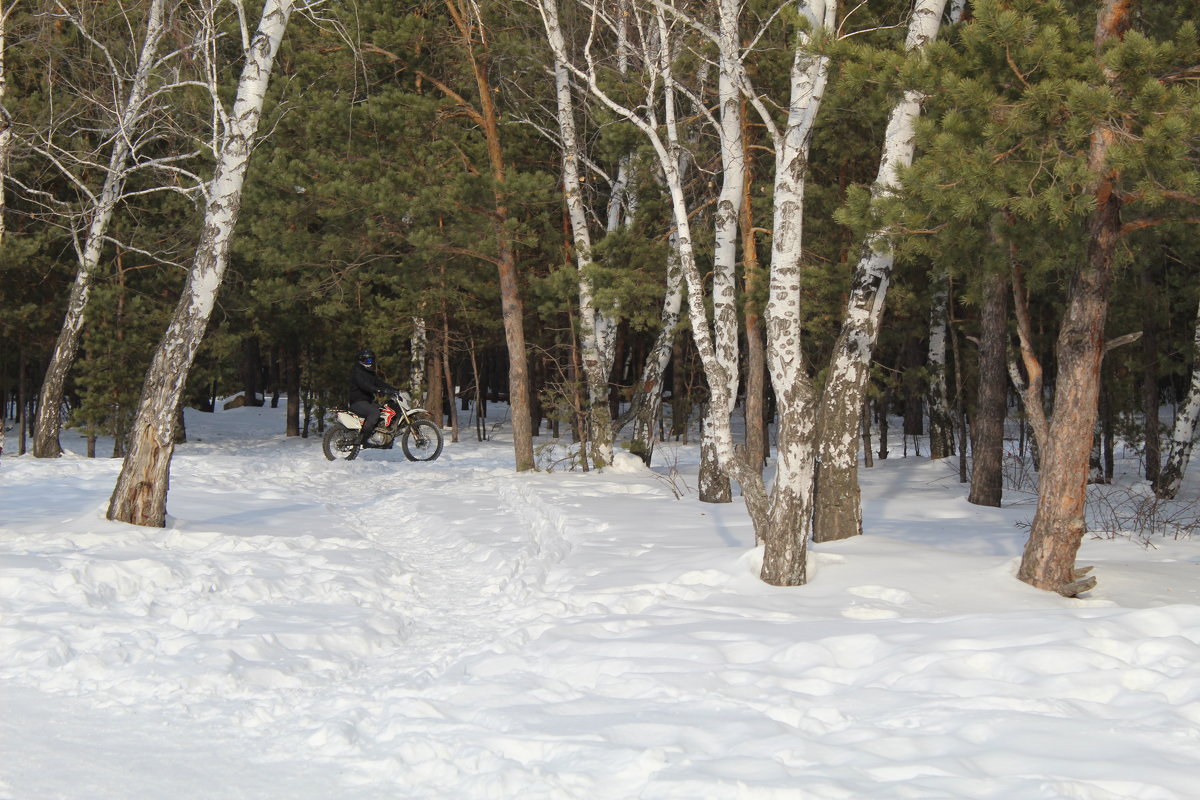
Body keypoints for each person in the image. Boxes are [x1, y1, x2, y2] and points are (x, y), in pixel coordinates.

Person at [348, 348, 396, 446]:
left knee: (383, 411)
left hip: (367, 401)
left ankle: (380, 438)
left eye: (372, 360)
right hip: (357, 402)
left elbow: (379, 382)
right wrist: (377, 390)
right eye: (368, 360)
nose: (370, 362)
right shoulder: (357, 371)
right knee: (374, 413)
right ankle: (364, 438)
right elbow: (364, 385)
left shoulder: (369, 372)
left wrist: (392, 389)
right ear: (362, 360)